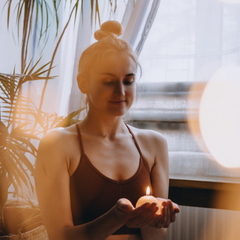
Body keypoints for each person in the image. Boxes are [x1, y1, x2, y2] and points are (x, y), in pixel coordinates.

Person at [35, 20, 180, 240]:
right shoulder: (57, 145)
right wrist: (117, 217)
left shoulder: (155, 144)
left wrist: (155, 219)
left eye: (128, 81)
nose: (120, 91)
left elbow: (155, 237)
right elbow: (59, 236)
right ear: (83, 83)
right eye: (108, 81)